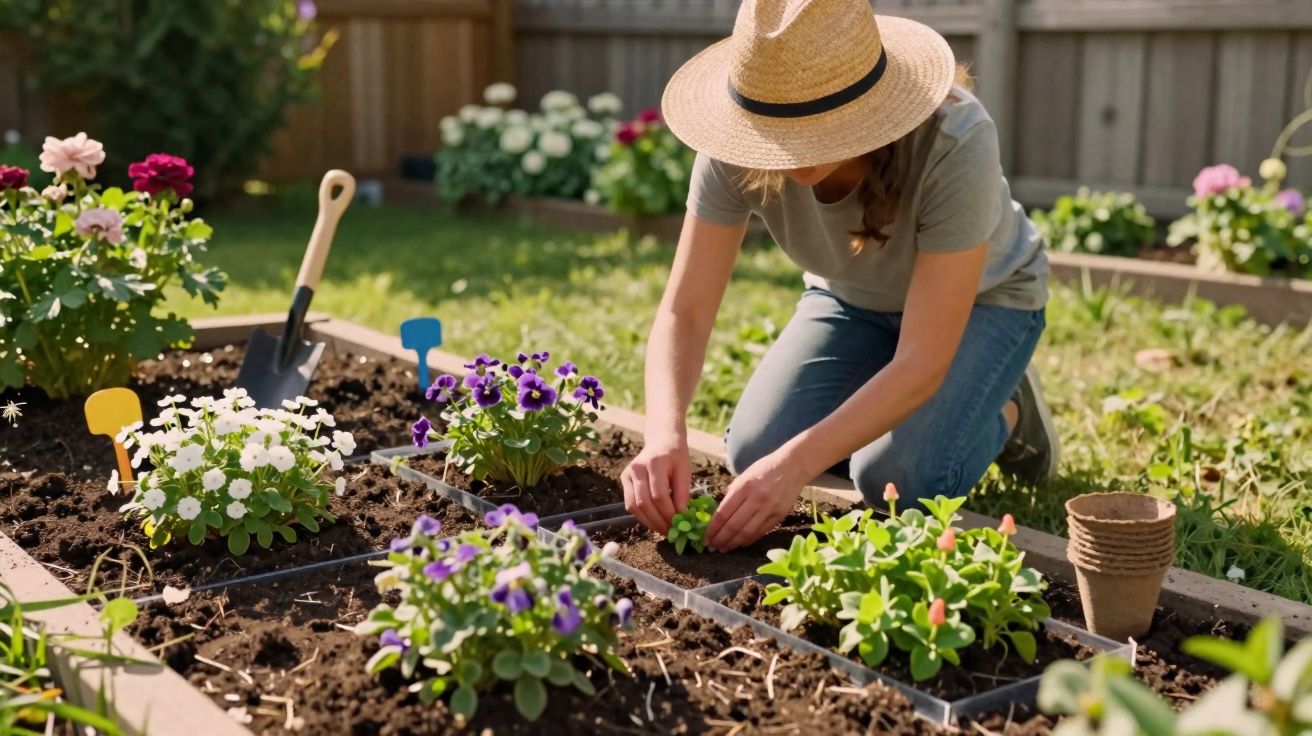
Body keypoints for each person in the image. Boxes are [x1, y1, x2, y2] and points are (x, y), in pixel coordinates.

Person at [619, 0, 1059, 552]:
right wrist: (664, 431)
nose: (790, 147)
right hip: (852, 300)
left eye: (813, 125)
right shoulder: (735, 144)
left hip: (986, 302)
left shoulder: (956, 140)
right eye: (779, 126)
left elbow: (922, 359)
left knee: (897, 482)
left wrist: (798, 463)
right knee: (756, 452)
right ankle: (918, 396)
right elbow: (685, 308)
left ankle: (1008, 406)